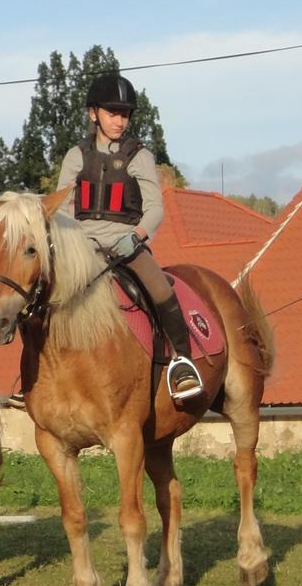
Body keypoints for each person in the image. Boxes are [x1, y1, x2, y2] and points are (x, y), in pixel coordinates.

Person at [55, 73, 203, 403]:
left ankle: (183, 363)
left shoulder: (139, 156)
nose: (120, 121)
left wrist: (136, 236)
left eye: (125, 114)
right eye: (112, 113)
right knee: (42, 294)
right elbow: (61, 209)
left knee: (161, 290)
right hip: (83, 249)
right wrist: (76, 243)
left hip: (127, 246)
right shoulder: (75, 157)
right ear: (93, 114)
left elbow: (155, 210)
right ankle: (34, 375)